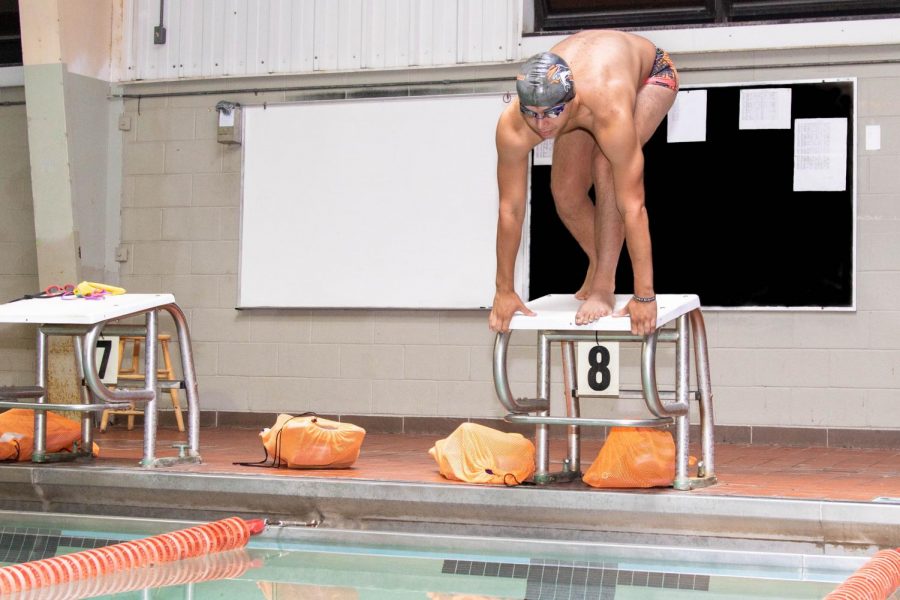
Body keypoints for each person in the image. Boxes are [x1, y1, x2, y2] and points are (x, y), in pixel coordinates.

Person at [488, 30, 679, 337]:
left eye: (551, 114)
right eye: (532, 115)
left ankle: (604, 284)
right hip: (587, 84)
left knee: (606, 163)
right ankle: (599, 258)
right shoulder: (514, 125)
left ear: (571, 99)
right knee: (565, 191)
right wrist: (504, 290)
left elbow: (633, 206)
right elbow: (510, 209)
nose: (542, 126)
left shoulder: (606, 106)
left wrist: (644, 295)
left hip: (651, 74)